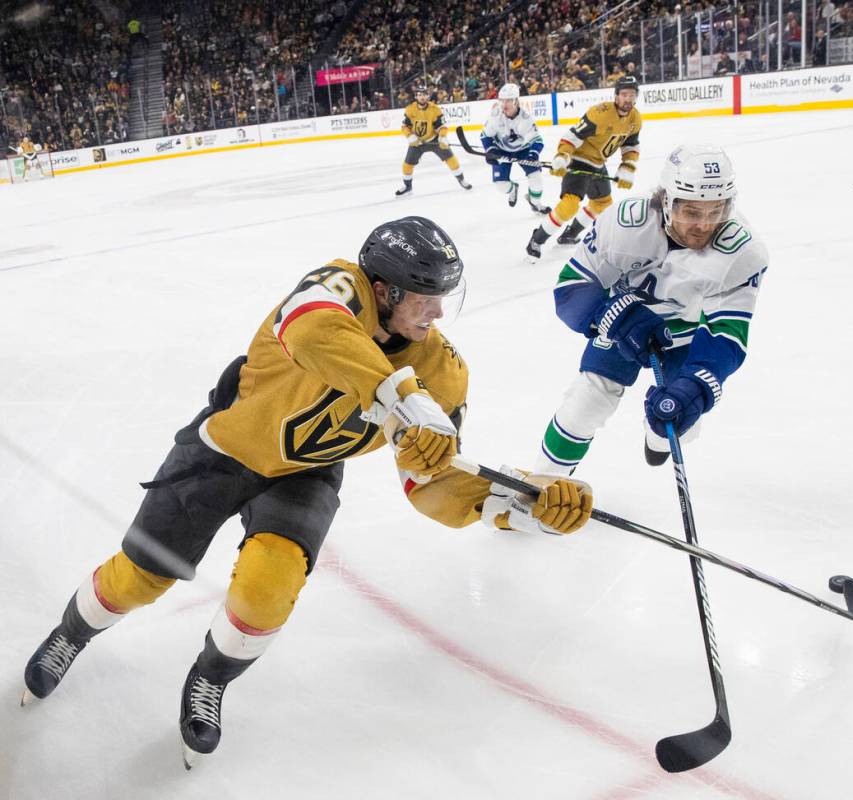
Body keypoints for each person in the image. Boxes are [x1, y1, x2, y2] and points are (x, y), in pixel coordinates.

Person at [21, 217, 593, 768]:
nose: (438, 312)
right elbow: (313, 327)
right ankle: (70, 635)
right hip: (224, 450)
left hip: (308, 471)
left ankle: (211, 678)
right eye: (424, 296)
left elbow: (431, 486)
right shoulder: (338, 286)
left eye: (445, 295)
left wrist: (521, 504)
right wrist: (403, 400)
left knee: (269, 588)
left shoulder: (442, 370)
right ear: (382, 289)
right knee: (139, 576)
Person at [533, 145, 768, 474]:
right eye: (692, 212)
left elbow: (727, 333)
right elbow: (570, 288)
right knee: (586, 402)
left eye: (716, 211)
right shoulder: (624, 222)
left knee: (677, 421)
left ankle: (656, 438)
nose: (704, 225)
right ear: (667, 200)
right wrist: (618, 317)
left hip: (684, 338)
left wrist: (697, 387)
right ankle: (542, 483)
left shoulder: (743, 252)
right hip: (621, 320)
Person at [525, 75, 642, 260]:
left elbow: (631, 145)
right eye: (624, 94)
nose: (628, 98)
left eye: (632, 94)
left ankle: (569, 234)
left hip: (598, 164)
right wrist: (563, 156)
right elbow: (572, 136)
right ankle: (537, 239)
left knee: (602, 203)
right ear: (616, 96)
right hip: (579, 159)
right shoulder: (600, 113)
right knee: (569, 205)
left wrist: (627, 166)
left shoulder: (635, 118)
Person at [480, 82, 549, 214]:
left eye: (508, 101)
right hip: (501, 150)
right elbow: (485, 135)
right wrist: (490, 150)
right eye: (502, 101)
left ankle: (535, 203)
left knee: (536, 180)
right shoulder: (495, 115)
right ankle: (513, 190)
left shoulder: (526, 118)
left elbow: (537, 140)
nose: (504, 104)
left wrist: (533, 155)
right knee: (501, 187)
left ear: (516, 101)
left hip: (523, 151)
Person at [396, 86, 472, 196]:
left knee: (451, 159)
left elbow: (442, 126)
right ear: (416, 96)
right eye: (419, 94)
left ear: (428, 96)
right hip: (417, 142)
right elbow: (405, 126)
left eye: (424, 94)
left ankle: (461, 179)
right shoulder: (410, 109)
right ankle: (408, 186)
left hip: (434, 140)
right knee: (407, 165)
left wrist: (442, 137)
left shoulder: (435, 109)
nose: (422, 97)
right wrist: (409, 136)